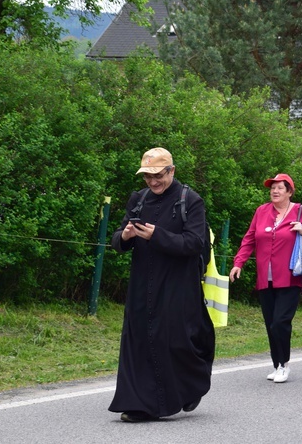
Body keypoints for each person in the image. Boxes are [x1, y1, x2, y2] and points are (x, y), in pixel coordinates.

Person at [109, 147, 215, 423]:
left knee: (176, 342)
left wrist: (158, 235)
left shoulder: (190, 201)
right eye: (147, 177)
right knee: (138, 341)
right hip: (142, 283)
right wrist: (126, 235)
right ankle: (138, 404)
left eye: (158, 176)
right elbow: (117, 241)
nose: (153, 182)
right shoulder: (139, 199)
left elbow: (194, 243)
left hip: (177, 285)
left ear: (171, 171)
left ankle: (191, 386)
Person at [229, 173, 302, 383]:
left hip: (289, 277)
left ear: (289, 192)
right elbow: (250, 238)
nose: (275, 191)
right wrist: (238, 263)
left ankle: (284, 364)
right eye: (272, 188)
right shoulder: (261, 211)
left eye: (280, 188)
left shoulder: (301, 212)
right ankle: (276, 364)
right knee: (270, 323)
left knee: (280, 322)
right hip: (265, 279)